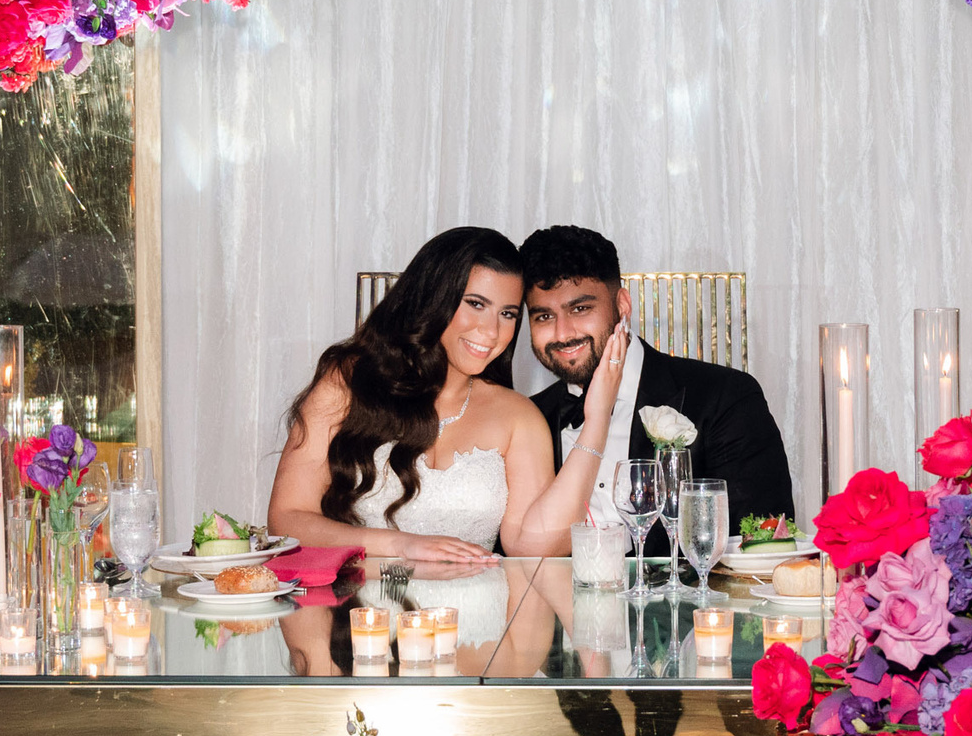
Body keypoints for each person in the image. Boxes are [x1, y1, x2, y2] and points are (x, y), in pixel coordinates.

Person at [268, 225, 621, 561]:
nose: (491, 330)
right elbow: (287, 519)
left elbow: (536, 547)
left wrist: (597, 420)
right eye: (475, 304)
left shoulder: (517, 415)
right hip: (362, 620)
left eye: (508, 313)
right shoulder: (347, 381)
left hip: (476, 618)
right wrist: (400, 545)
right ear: (434, 297)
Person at [518, 224, 795, 554]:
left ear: (622, 305)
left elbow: (765, 544)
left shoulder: (725, 397)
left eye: (581, 309)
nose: (563, 333)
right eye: (544, 316)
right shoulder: (528, 419)